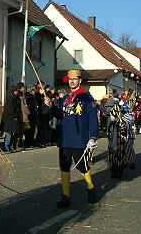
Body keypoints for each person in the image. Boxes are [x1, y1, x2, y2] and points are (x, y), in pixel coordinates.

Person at [45, 69, 98, 208]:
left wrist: (92, 137)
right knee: (64, 166)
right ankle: (66, 196)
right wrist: (51, 106)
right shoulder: (65, 97)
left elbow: (93, 118)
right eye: (70, 79)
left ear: (80, 81)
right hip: (64, 138)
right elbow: (61, 114)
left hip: (80, 138)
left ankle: (90, 188)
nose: (72, 81)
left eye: (75, 79)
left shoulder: (86, 97)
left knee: (82, 166)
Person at [108, 91, 136, 178]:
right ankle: (114, 169)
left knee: (123, 150)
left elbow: (131, 118)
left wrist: (122, 118)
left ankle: (121, 168)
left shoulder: (130, 106)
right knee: (113, 151)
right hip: (114, 131)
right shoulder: (117, 106)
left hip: (124, 132)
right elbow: (111, 114)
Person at [0, 85, 22, 152]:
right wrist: (15, 117)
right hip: (9, 119)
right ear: (14, 91)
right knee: (9, 133)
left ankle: (11, 147)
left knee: (12, 133)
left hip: (11, 119)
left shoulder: (13, 97)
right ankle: (7, 147)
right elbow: (10, 110)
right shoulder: (10, 98)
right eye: (16, 91)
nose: (17, 92)